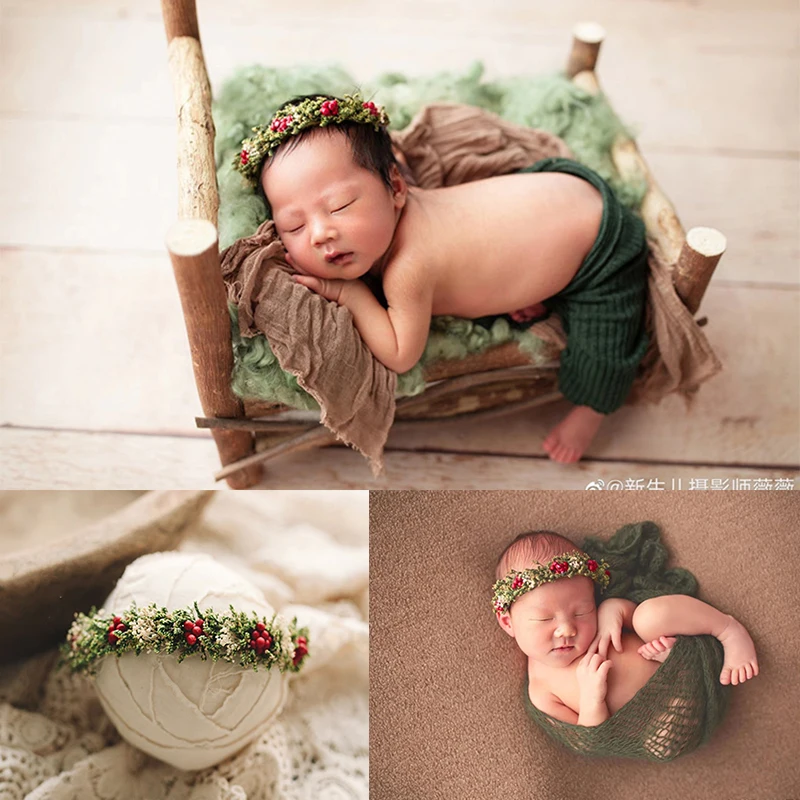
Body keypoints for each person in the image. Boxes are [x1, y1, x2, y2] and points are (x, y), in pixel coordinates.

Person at [236, 93, 651, 462]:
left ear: (396, 188)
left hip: (600, 246)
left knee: (606, 340)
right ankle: (533, 277)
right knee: (500, 244)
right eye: (293, 227)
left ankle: (593, 410)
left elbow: (400, 354)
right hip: (556, 187)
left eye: (340, 205)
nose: (321, 233)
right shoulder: (396, 204)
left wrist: (346, 292)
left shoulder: (408, 268)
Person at [492, 530, 759, 727]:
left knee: (647, 617)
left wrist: (613, 609)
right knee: (661, 741)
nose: (566, 629)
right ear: (508, 622)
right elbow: (588, 739)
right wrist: (591, 698)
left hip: (689, 658)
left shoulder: (597, 622)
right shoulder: (541, 691)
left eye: (582, 612)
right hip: (667, 712)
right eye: (543, 619)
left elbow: (631, 614)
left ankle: (726, 629)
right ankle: (677, 667)